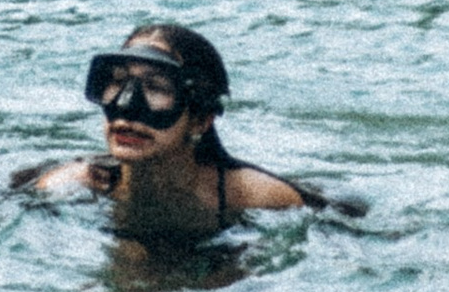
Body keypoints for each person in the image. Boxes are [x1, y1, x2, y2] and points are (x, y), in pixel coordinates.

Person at [16, 22, 316, 240]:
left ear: (201, 119)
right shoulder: (74, 185)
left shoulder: (256, 196)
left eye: (157, 87)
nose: (126, 107)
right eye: (117, 82)